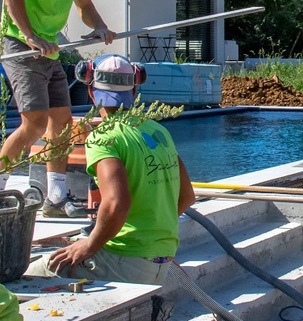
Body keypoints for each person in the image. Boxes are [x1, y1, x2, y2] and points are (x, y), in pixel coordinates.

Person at [0, 0, 117, 216]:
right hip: (22, 47)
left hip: (49, 50)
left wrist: (99, 26)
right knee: (33, 124)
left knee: (60, 122)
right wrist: (30, 35)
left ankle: (55, 198)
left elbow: (85, 7)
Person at [27, 54, 196, 287]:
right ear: (134, 91)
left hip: (125, 260)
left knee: (33, 272)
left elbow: (116, 204)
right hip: (161, 260)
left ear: (91, 93)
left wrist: (91, 244)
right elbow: (187, 196)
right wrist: (150, 231)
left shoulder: (104, 137)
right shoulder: (158, 131)